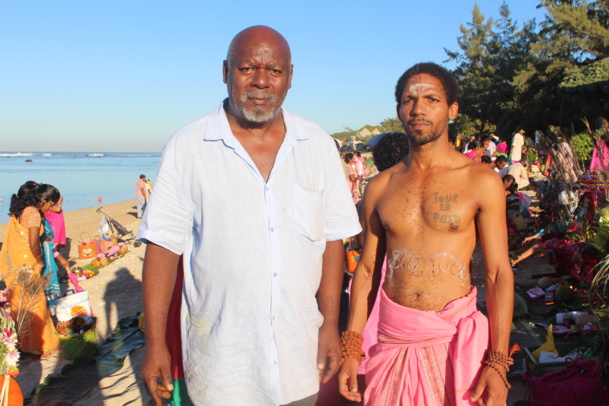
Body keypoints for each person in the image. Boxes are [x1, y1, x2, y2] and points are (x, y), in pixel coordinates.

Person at [138, 26, 361, 406]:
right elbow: (162, 247)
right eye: (247, 69)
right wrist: (155, 343)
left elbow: (332, 243)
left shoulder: (318, 145)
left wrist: (328, 327)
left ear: (290, 77)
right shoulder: (189, 146)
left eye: (274, 70)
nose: (261, 81)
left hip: (298, 357)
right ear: (225, 72)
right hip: (221, 366)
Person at [338, 62, 513, 406]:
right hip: (393, 341)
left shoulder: (480, 181)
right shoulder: (380, 186)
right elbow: (368, 271)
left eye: (431, 99)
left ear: (452, 110)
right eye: (408, 100)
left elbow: (497, 273)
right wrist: (351, 347)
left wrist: (499, 360)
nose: (418, 109)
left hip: (454, 344)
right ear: (399, 110)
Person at [0, 181, 60, 357]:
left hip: (17, 265)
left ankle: (24, 344)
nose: (51, 207)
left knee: (21, 306)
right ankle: (39, 346)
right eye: (51, 203)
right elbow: (34, 243)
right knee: (35, 305)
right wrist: (40, 259)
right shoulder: (33, 213)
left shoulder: (22, 210)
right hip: (27, 265)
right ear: (42, 200)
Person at [39, 185, 69, 313]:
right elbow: (43, 242)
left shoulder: (43, 212)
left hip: (49, 249)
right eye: (51, 204)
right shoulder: (39, 215)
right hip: (45, 252)